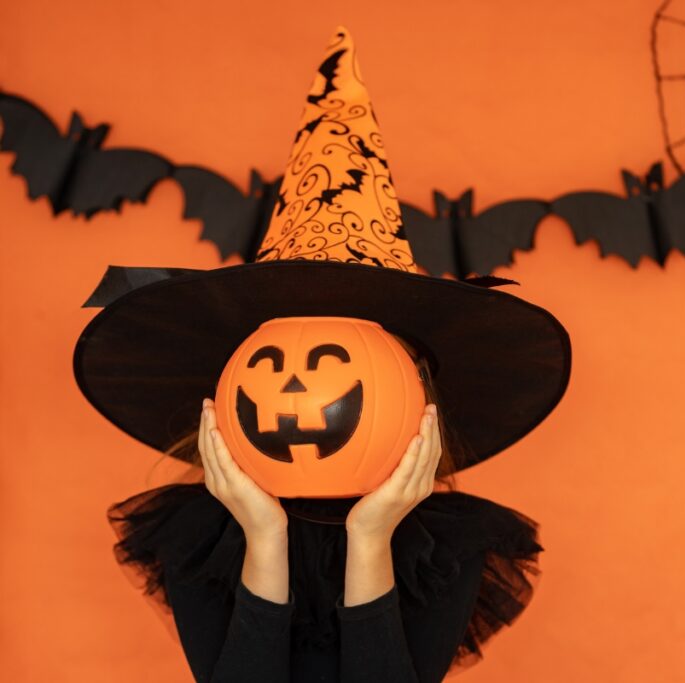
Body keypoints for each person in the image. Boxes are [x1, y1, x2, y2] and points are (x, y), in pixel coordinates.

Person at [78, 23, 572, 683]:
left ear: (415, 391)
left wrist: (371, 538)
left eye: (332, 362)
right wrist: (263, 536)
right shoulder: (198, 535)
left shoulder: (448, 546)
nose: (293, 393)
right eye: (273, 363)